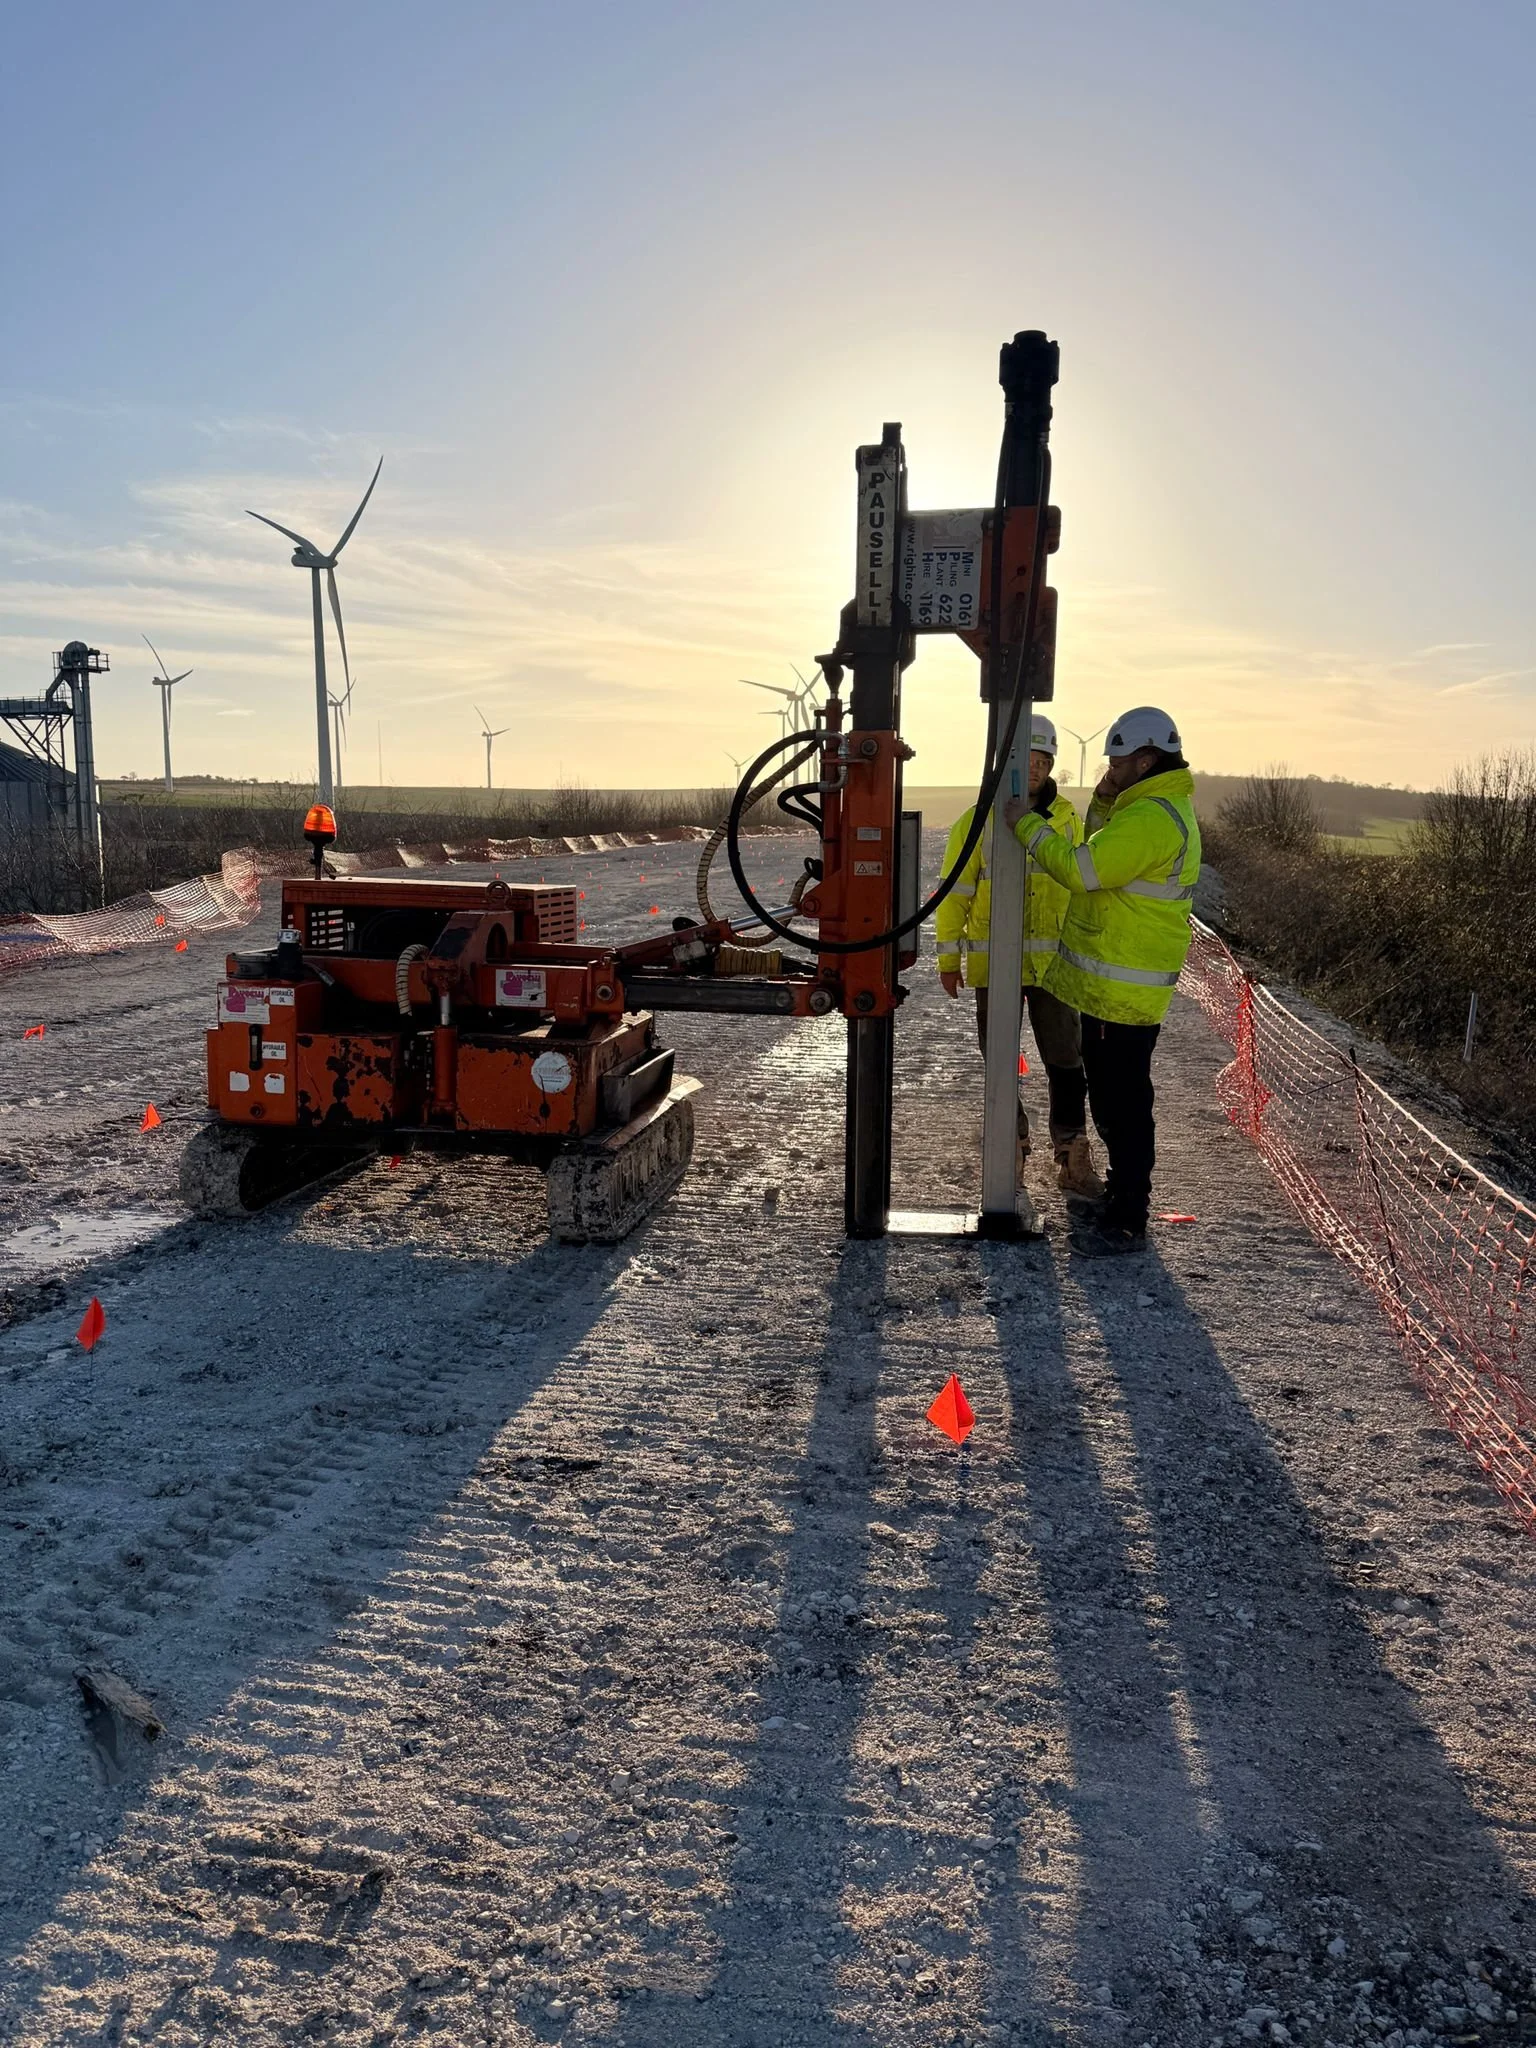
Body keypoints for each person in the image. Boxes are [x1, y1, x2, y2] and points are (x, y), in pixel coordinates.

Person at [1002, 705, 1200, 1257]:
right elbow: (1102, 845)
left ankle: (1129, 1217)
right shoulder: (1145, 811)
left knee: (1122, 1106)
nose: (1107, 769)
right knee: (1116, 1099)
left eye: (1115, 762)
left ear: (1143, 759)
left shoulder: (1151, 820)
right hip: (1116, 989)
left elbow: (1081, 869)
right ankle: (1123, 1197)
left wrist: (1025, 823)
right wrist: (1109, 797)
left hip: (1124, 994)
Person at [935, 715, 1103, 1199]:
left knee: (1067, 1062)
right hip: (996, 968)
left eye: (1043, 760)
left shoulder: (1068, 819)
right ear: (1006, 762)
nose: (1034, 769)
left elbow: (1083, 890)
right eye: (1026, 759)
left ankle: (1071, 1155)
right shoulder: (977, 820)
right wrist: (949, 960)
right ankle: (1012, 1147)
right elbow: (955, 895)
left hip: (1055, 969)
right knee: (1001, 1062)